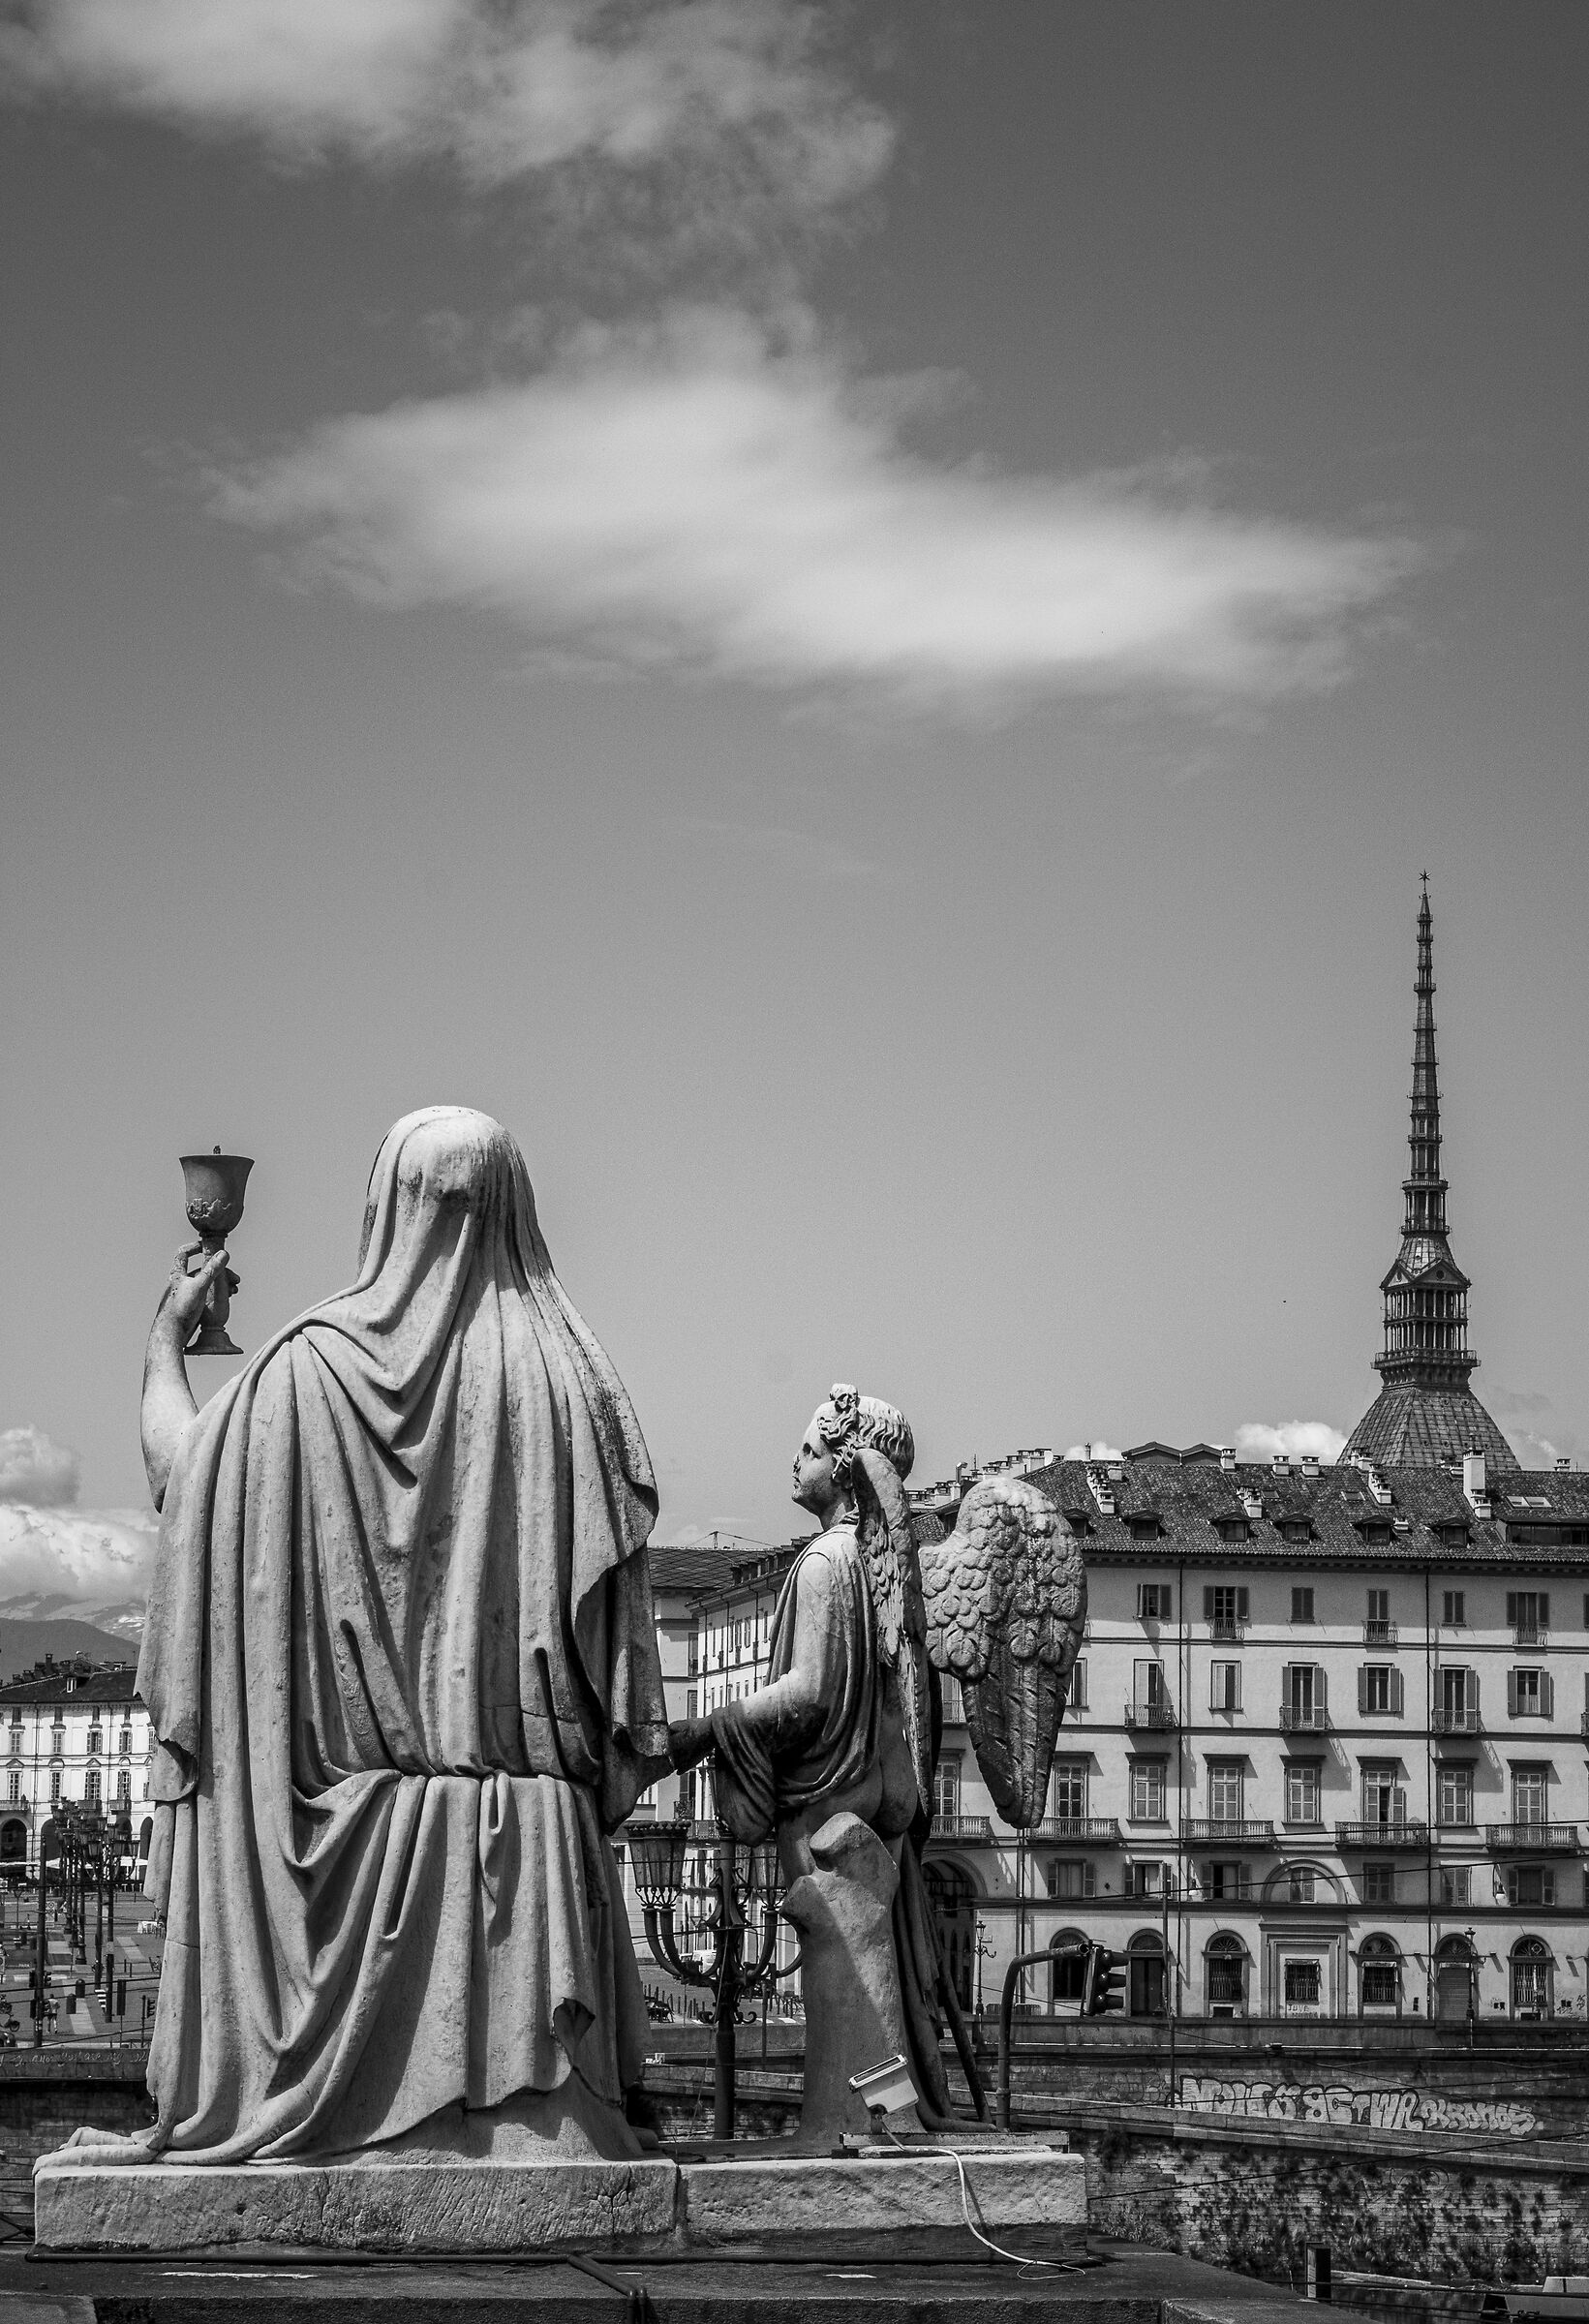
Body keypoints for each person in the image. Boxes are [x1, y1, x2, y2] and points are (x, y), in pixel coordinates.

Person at [81, 1108, 669, 2165]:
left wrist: (168, 1340)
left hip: (321, 1847)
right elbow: (611, 1663)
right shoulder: (574, 1385)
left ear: (384, 1207)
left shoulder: (304, 1373)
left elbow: (183, 1481)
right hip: (530, 1848)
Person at [669, 1386, 955, 2122]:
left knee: (843, 1983)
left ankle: (855, 2123)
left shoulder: (828, 1561)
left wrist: (699, 1733)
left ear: (847, 1464)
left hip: (831, 1804)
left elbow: (809, 1693)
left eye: (809, 1449)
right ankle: (885, 2114)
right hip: (877, 1803)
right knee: (873, 1979)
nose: (794, 1461)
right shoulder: (881, 1563)